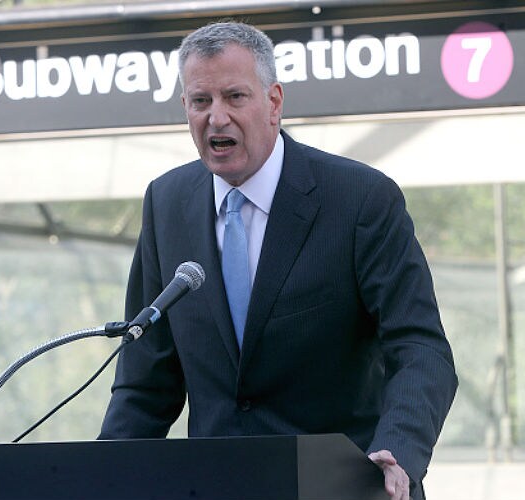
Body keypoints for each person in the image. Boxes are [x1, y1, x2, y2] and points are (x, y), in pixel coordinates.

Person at [99, 21, 458, 500]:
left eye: (235, 97)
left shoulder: (360, 198)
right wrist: (98, 476)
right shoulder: (166, 203)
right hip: (216, 488)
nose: (217, 117)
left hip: (346, 487)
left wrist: (398, 451)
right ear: (185, 106)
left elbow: (420, 347)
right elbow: (146, 384)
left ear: (273, 102)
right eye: (201, 101)